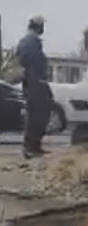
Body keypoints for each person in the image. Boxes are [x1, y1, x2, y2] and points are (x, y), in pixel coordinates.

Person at [16, 16, 52, 159]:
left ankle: (33, 145)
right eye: (42, 25)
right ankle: (31, 146)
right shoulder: (31, 42)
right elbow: (33, 65)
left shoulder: (27, 41)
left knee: (38, 113)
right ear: (37, 26)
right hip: (34, 84)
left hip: (33, 83)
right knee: (37, 114)